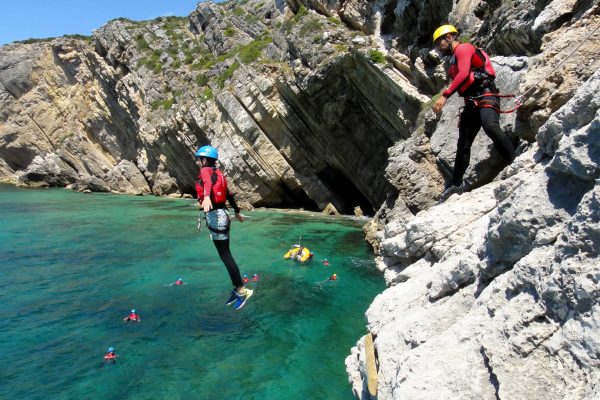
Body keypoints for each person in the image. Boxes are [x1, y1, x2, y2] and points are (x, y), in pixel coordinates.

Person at [431, 24, 515, 202]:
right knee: (463, 144)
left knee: (490, 126)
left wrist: (445, 96)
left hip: (487, 96)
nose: (439, 47)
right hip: (472, 102)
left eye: (440, 42)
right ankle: (455, 185)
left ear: (450, 37)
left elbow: (463, 75)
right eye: (437, 44)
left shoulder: (464, 48)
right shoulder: (453, 58)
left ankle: (515, 163)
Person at [195, 145, 253, 310]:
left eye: (199, 159)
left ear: (204, 159)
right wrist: (237, 212)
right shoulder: (218, 174)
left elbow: (205, 182)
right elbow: (228, 194)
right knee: (225, 254)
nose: (198, 162)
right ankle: (237, 289)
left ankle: (242, 291)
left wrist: (206, 197)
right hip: (224, 214)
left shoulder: (206, 171)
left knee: (225, 255)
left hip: (216, 217)